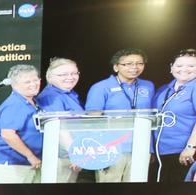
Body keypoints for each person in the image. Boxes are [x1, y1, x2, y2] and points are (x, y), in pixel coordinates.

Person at [85, 49, 155, 182]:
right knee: (109, 192)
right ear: (116, 67)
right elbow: (93, 120)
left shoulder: (148, 86)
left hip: (141, 146)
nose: (134, 67)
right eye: (128, 64)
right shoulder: (101, 87)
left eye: (139, 63)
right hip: (111, 148)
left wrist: (150, 148)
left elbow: (151, 117)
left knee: (136, 191)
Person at [0, 64, 44, 183]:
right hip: (12, 164)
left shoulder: (34, 102)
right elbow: (8, 134)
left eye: (35, 80)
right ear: (14, 84)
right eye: (27, 82)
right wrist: (31, 156)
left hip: (28, 164)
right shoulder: (15, 104)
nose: (34, 84)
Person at [35, 57, 85, 183]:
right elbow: (59, 128)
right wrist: (75, 154)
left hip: (70, 154)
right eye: (63, 74)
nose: (70, 77)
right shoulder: (51, 97)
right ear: (50, 77)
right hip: (61, 157)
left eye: (74, 73)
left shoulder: (69, 93)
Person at [152, 49, 196, 183]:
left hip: (184, 154)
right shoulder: (164, 89)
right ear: (171, 68)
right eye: (179, 65)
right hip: (161, 154)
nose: (184, 69)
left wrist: (190, 147)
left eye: (191, 66)